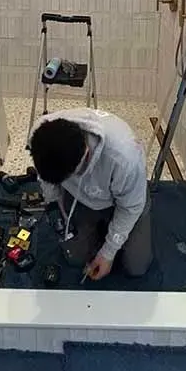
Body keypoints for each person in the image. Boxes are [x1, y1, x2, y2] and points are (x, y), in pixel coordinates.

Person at [28, 107, 152, 280]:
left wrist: (108, 253)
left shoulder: (125, 160)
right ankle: (99, 230)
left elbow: (130, 208)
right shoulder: (41, 133)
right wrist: (52, 202)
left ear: (86, 153)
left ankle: (111, 230)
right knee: (74, 257)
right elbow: (45, 177)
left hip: (124, 203)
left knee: (136, 267)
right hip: (82, 198)